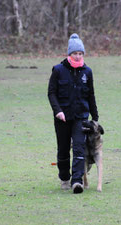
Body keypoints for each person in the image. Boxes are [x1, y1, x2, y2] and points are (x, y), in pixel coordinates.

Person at [48, 33, 99, 194]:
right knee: (63, 150)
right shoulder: (58, 70)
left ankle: (77, 181)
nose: (78, 56)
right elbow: (51, 93)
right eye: (75, 53)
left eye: (80, 54)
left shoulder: (87, 72)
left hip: (81, 117)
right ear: (69, 54)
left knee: (79, 148)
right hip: (62, 117)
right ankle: (64, 178)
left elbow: (90, 95)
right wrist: (58, 111)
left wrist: (95, 117)